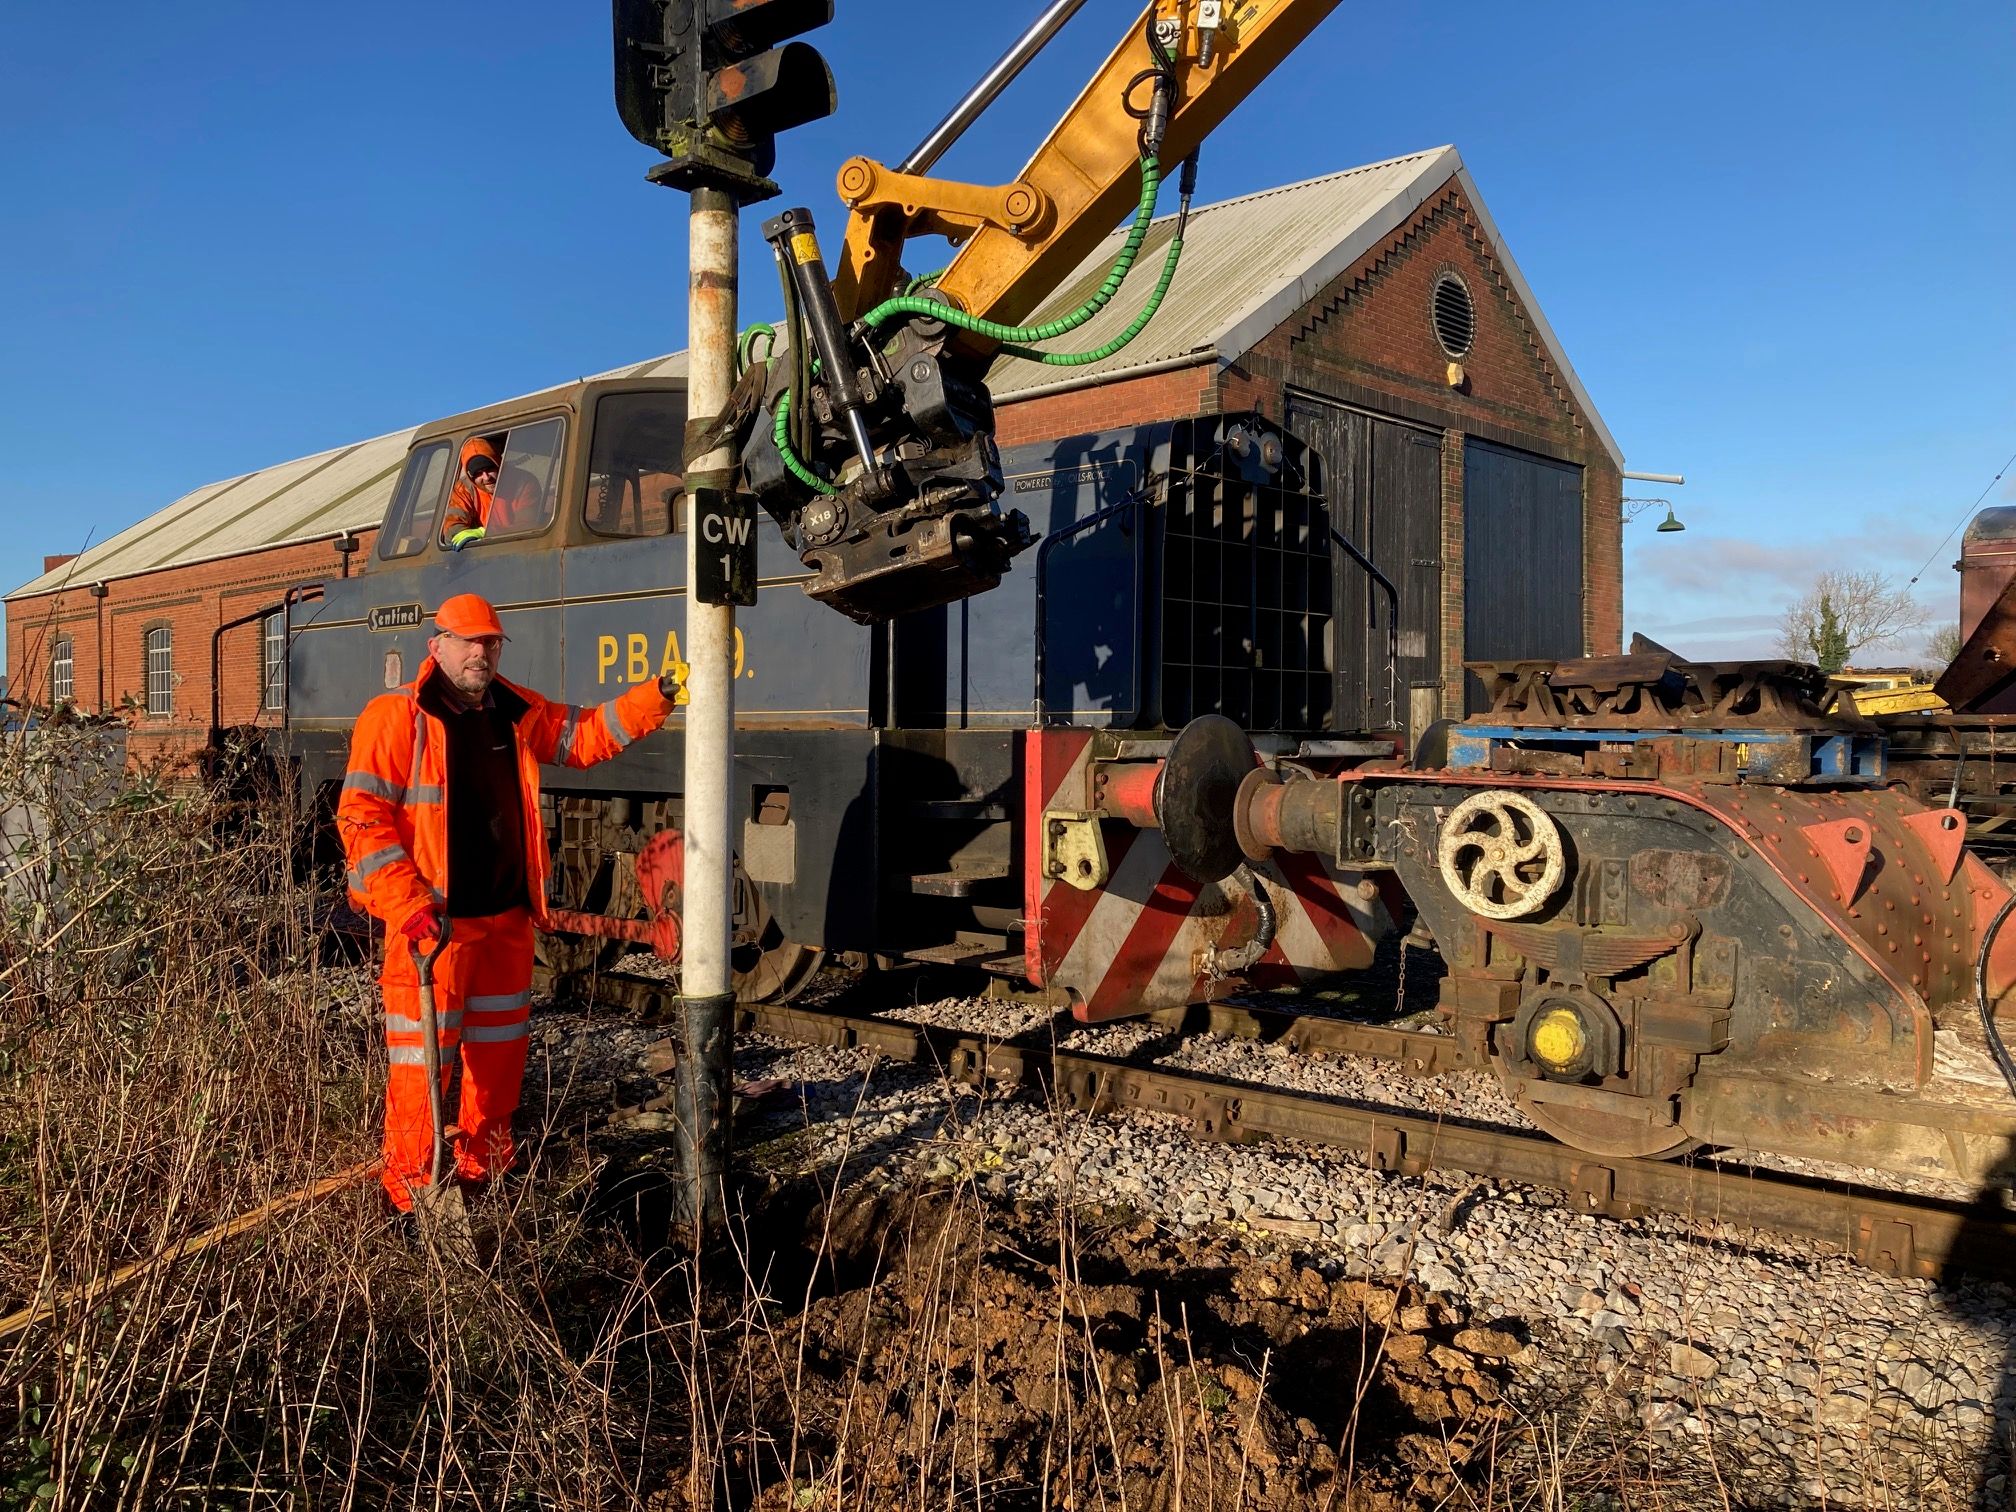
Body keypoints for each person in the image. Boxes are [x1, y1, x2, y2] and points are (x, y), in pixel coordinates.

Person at [337, 592, 680, 1213]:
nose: (480, 652)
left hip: (504, 924)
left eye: (490, 642)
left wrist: (655, 696)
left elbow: (586, 737)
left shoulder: (516, 710)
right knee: (422, 1068)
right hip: (432, 927)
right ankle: (413, 1195)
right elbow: (362, 819)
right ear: (435, 646)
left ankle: (484, 1175)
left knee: (497, 1065)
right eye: (469, 641)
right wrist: (406, 902)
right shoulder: (396, 717)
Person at [441, 437, 501, 550]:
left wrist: (483, 532)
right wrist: (462, 535)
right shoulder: (464, 489)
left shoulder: (522, 482)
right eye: (478, 473)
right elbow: (452, 528)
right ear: (470, 476)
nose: (486, 477)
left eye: (489, 469)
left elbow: (526, 525)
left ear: (498, 463)